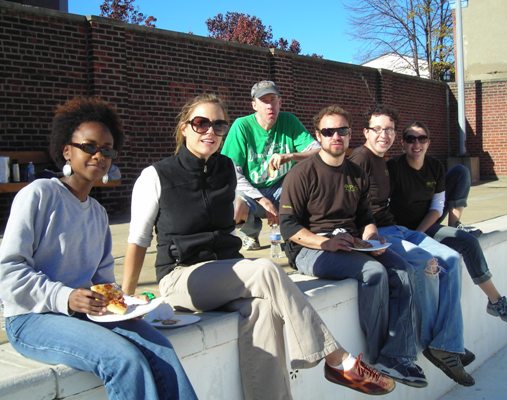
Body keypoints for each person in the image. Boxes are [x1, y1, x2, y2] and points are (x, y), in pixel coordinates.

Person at [122, 93, 396, 399]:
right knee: (265, 268)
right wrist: (125, 300)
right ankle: (337, 359)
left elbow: (232, 209)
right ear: (184, 128)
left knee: (264, 311)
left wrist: (239, 211)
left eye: (218, 125)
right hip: (181, 276)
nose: (210, 131)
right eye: (201, 124)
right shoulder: (156, 175)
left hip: (225, 273)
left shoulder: (226, 169)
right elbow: (138, 241)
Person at [0, 97, 196, 400]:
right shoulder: (39, 194)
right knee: (124, 360)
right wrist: (66, 297)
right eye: (89, 146)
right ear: (67, 150)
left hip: (82, 315)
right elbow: (9, 271)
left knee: (161, 347)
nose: (99, 155)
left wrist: (123, 304)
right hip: (31, 317)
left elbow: (102, 282)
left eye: (106, 149)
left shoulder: (96, 213)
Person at [279, 104, 426, 388]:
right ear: (318, 136)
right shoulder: (301, 174)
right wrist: (326, 243)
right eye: (328, 131)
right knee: (373, 272)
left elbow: (365, 218)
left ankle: (396, 355)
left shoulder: (356, 174)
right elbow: (289, 228)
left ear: (349, 134)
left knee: (404, 270)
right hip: (311, 250)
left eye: (342, 131)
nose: (336, 136)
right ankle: (374, 356)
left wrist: (371, 240)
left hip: (350, 244)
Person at [349, 105, 475, 387]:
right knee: (425, 264)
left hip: (398, 228)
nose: (384, 135)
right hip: (379, 232)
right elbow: (348, 204)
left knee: (452, 259)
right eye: (378, 129)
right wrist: (364, 236)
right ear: (366, 132)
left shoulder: (383, 161)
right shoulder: (361, 159)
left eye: (389, 129)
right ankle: (435, 342)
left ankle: (447, 341)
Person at [387, 121, 507, 323]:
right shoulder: (393, 168)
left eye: (422, 139)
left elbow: (437, 207)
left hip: (426, 224)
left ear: (428, 142)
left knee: (461, 172)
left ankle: (496, 301)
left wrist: (421, 233)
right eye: (410, 139)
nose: (416, 144)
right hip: (401, 230)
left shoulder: (435, 167)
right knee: (468, 243)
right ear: (402, 143)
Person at [221, 80, 320, 250]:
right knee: (234, 207)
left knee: (313, 183)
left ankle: (298, 232)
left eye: (273, 99)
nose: (269, 106)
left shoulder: (289, 121)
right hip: (252, 191)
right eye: (264, 101)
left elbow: (318, 152)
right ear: (254, 105)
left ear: (280, 102)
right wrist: (262, 199)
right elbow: (231, 172)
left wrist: (291, 156)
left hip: (282, 189)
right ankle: (251, 234)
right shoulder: (242, 126)